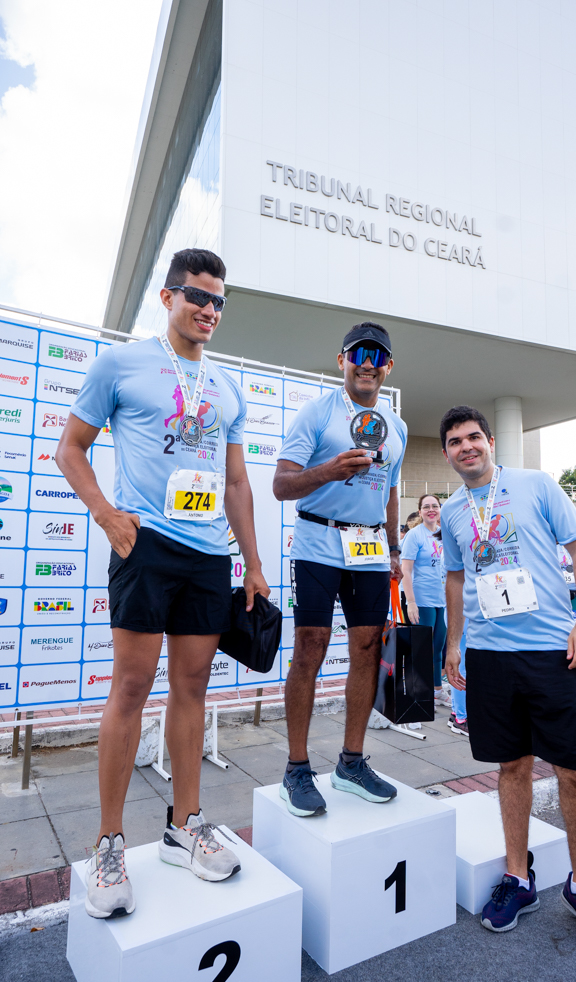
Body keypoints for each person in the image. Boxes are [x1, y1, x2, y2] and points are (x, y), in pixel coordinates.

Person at [56, 248, 270, 918]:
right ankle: (110, 845)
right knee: (129, 688)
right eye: (195, 296)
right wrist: (105, 514)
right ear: (167, 297)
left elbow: (236, 482)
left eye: (217, 301)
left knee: (193, 688)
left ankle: (185, 825)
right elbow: (70, 446)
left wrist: (254, 563)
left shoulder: (227, 385)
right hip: (145, 545)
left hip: (208, 556)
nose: (207, 310)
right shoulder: (121, 363)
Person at [439, 405, 576, 960]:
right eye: (454, 442)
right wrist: (453, 642)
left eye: (474, 437)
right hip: (490, 657)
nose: (466, 447)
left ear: (491, 442)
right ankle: (518, 879)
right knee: (511, 766)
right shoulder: (450, 510)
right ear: (447, 453)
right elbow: (455, 576)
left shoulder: (535, 484)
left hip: (552, 653)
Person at [273, 322, 407, 817]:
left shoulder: (397, 423)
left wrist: (394, 547)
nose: (368, 362)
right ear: (342, 360)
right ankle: (296, 768)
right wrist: (330, 469)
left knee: (368, 650)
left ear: (387, 366)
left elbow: (390, 491)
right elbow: (281, 485)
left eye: (378, 355)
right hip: (317, 540)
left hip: (370, 548)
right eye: (359, 354)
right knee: (310, 648)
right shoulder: (317, 412)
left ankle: (351, 763)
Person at [401, 494, 449, 708]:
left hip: (443, 600)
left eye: (435, 506)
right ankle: (417, 694)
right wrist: (411, 601)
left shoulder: (444, 534)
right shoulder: (414, 535)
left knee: (438, 646)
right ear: (420, 511)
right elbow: (406, 571)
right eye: (426, 507)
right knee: (422, 648)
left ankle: (437, 690)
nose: (431, 510)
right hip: (422, 599)